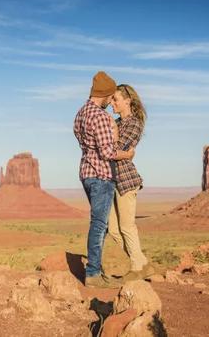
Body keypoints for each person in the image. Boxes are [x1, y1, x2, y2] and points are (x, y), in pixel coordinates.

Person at [73, 71, 135, 288]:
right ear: (105, 94)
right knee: (99, 225)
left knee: (100, 224)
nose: (111, 102)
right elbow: (108, 152)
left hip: (86, 174)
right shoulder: (99, 116)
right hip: (101, 175)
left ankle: (98, 269)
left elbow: (83, 141)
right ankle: (93, 274)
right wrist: (127, 154)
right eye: (110, 97)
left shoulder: (81, 113)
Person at [107, 84, 152, 281]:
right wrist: (125, 153)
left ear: (127, 101)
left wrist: (119, 148)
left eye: (115, 99)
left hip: (126, 180)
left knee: (127, 226)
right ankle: (142, 263)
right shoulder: (117, 122)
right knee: (113, 229)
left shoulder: (133, 123)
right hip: (111, 181)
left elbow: (112, 150)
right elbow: (113, 151)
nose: (112, 103)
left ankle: (136, 267)